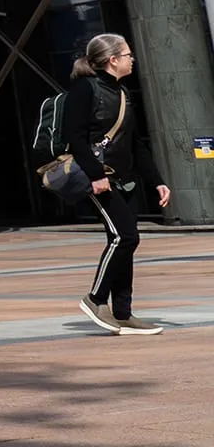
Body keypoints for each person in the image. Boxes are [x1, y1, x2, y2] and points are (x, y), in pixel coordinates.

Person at [63, 33, 171, 335]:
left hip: (125, 180)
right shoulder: (84, 89)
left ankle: (123, 313)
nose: (131, 59)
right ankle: (96, 300)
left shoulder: (122, 93)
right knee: (125, 237)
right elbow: (75, 136)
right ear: (113, 60)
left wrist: (157, 182)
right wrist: (97, 175)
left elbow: (135, 144)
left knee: (126, 239)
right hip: (99, 179)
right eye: (127, 55)